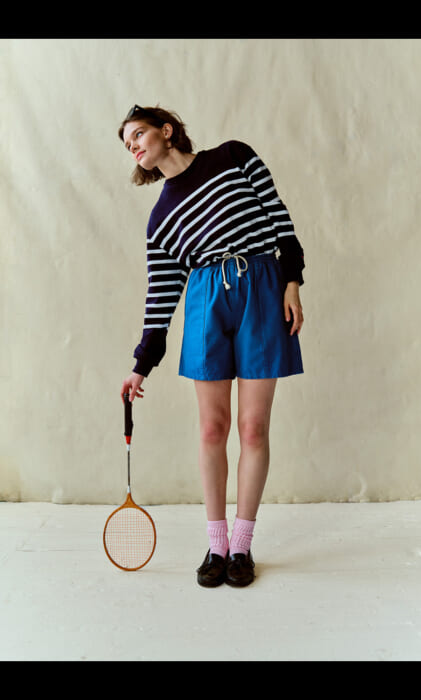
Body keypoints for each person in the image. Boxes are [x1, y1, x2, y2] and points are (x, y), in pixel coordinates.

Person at [118, 105, 305, 587]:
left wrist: (292, 281)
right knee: (211, 429)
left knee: (254, 428)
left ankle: (242, 545)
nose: (133, 146)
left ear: (166, 130)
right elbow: (161, 293)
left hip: (261, 286)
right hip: (205, 301)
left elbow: (279, 217)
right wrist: (141, 365)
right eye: (126, 143)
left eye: (138, 134)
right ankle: (216, 544)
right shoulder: (161, 219)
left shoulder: (234, 157)